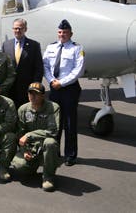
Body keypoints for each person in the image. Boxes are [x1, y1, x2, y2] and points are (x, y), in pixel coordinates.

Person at [43, 19, 85, 166]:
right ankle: (54, 152)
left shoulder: (77, 49)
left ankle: (70, 155)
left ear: (71, 34)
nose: (62, 35)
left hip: (69, 89)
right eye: (60, 32)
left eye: (65, 32)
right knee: (55, 123)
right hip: (55, 88)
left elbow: (78, 70)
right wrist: (52, 81)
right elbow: (45, 66)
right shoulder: (51, 47)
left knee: (69, 123)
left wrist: (61, 82)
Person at [12, 82, 60, 192]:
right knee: (18, 166)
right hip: (31, 148)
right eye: (30, 93)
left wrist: (29, 135)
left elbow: (52, 131)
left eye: (36, 94)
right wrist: (24, 151)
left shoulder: (53, 107)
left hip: (45, 147)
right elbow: (20, 134)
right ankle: (31, 167)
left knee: (50, 142)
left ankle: (48, 177)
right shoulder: (23, 109)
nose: (32, 96)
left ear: (43, 95)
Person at [2, 18, 43, 107]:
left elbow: (39, 67)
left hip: (27, 88)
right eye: (15, 28)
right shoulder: (6, 45)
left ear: (25, 29)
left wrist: (35, 86)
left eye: (20, 28)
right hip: (10, 88)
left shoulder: (34, 45)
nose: (17, 30)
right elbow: (3, 67)